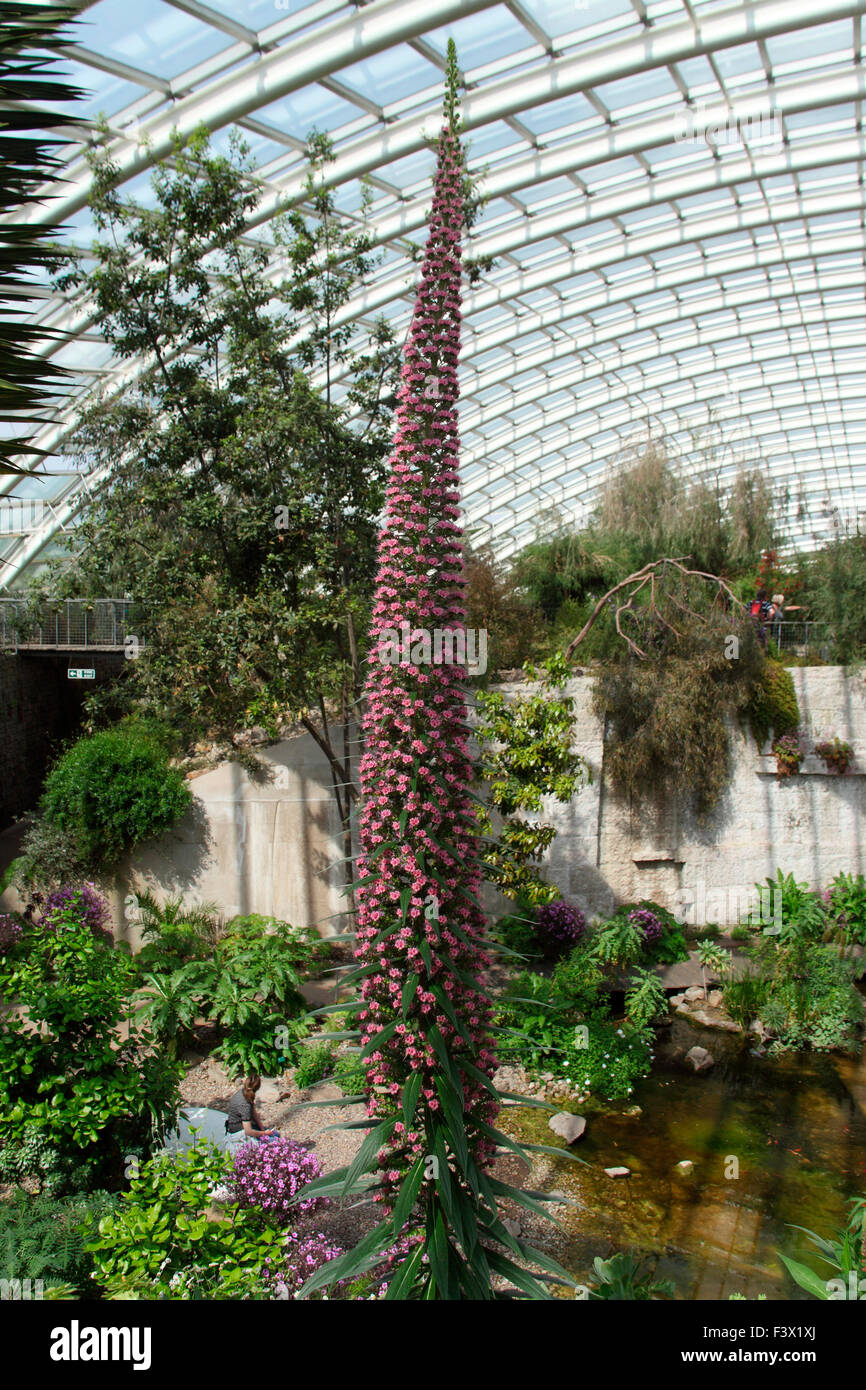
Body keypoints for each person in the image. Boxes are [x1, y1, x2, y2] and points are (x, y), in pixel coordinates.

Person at [224, 1074, 279, 1150]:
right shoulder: (244, 1104)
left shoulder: (245, 1092)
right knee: (274, 1141)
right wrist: (264, 1133)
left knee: (275, 1134)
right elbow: (248, 1131)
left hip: (244, 1127)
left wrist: (262, 1128)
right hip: (238, 1133)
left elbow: (253, 1112)